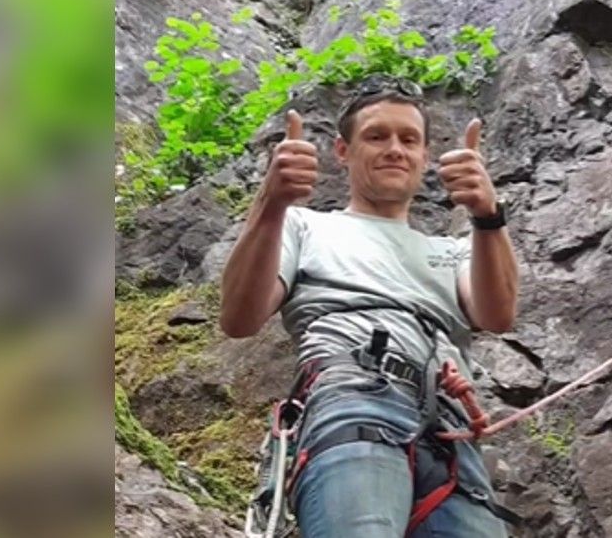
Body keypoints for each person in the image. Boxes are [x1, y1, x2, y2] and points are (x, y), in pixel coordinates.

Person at [219, 75, 519, 537]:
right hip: (353, 397)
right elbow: (240, 318)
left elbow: (497, 314)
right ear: (343, 151)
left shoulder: (456, 250)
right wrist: (271, 203)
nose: (395, 149)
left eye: (409, 139)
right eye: (377, 136)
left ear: (424, 157)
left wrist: (488, 214)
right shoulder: (303, 226)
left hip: (448, 431)